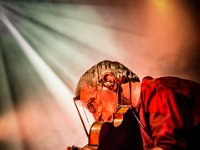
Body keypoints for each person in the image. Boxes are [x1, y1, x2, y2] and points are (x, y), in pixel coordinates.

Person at [71, 60, 200, 150]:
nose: (96, 117)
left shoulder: (155, 89)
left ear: (110, 81)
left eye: (92, 105)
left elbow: (170, 145)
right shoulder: (138, 113)